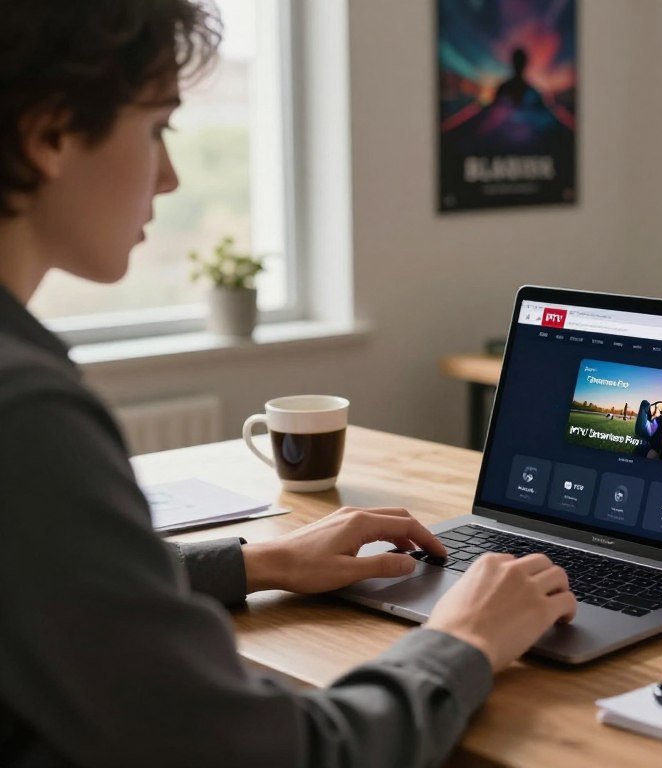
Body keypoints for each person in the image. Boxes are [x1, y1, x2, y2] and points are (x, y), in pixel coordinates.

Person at [0, 2, 576, 766]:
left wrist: (261, 561)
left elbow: (52, 588)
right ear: (50, 134)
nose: (169, 177)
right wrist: (463, 639)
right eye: (158, 127)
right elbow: (282, 754)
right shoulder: (26, 416)